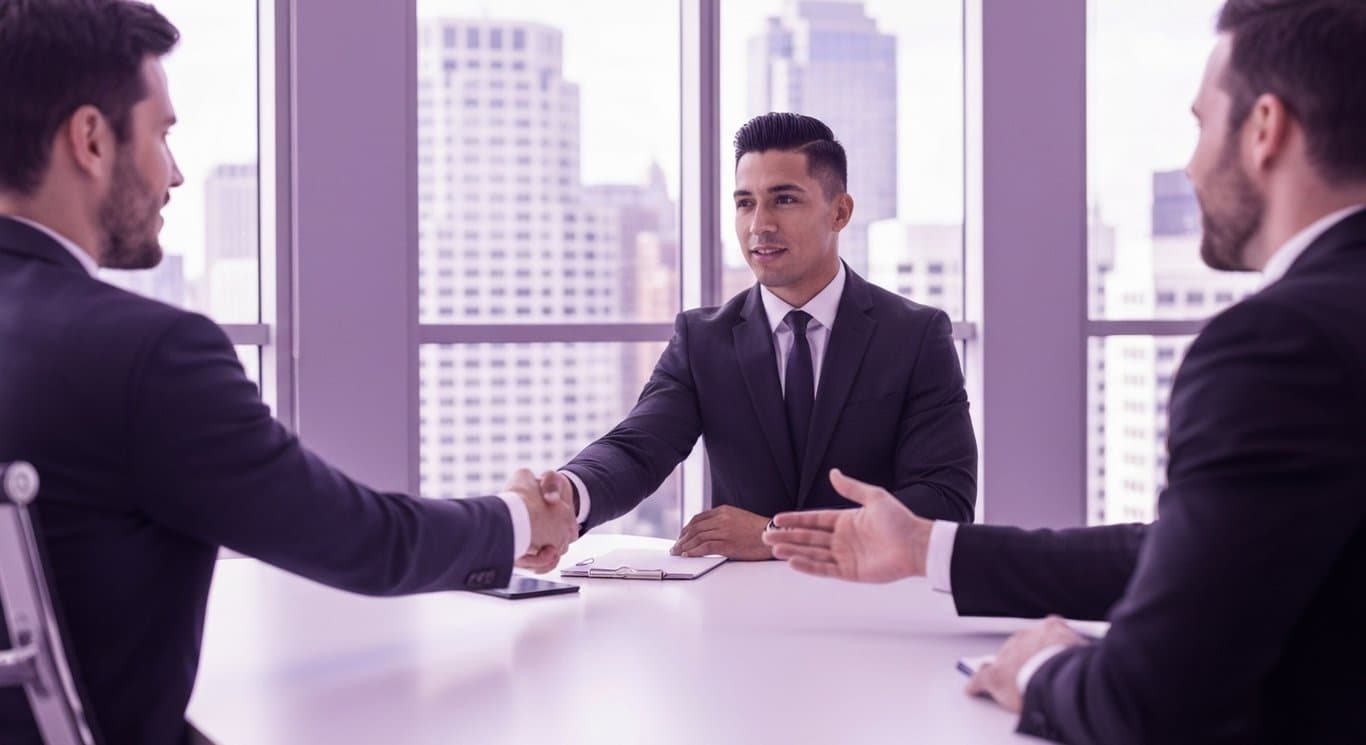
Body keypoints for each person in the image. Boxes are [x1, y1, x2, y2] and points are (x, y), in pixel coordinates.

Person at [764, 1, 1366, 742]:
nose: (1191, 160)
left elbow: (1149, 703)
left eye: (1202, 123)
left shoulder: (1280, 344)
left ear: (1265, 128)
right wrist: (927, 547)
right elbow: (1208, 551)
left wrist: (1040, 669)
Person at [0, 2, 578, 743]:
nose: (174, 173)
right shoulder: (148, 353)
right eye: (162, 133)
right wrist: (521, 514)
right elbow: (367, 541)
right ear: (90, 139)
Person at [537, 112, 976, 560]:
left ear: (840, 211)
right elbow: (635, 450)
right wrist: (565, 496)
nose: (758, 225)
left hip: (873, 606)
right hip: (737, 611)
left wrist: (775, 535)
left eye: (784, 200)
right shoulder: (702, 340)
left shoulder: (915, 336)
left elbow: (946, 501)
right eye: (745, 203)